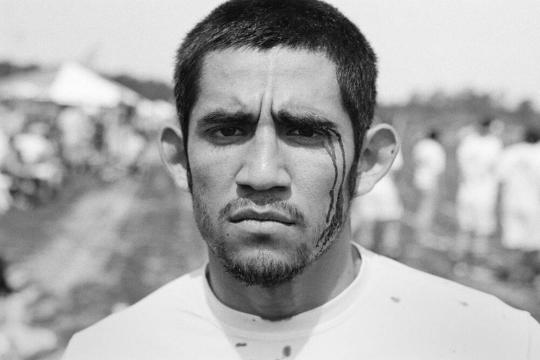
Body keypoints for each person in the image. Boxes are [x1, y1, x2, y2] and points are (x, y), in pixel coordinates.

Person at [62, 1, 540, 359]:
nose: (262, 174)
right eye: (227, 130)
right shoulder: (107, 351)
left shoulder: (493, 343)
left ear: (370, 161)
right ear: (178, 158)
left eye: (306, 132)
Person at [455, 117, 502, 264]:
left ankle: (468, 258)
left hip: (477, 192)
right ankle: (466, 258)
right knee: (471, 228)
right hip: (475, 193)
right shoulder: (487, 143)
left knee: (475, 229)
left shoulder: (475, 141)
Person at [496, 127, 540, 282]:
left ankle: (510, 274)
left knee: (511, 240)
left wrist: (498, 200)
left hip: (511, 203)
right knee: (533, 244)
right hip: (534, 206)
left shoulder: (511, 152)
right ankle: (527, 277)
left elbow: (500, 178)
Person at [350, 139, 403, 258]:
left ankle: (363, 259)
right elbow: (395, 172)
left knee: (366, 229)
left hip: (366, 188)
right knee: (390, 228)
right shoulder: (392, 142)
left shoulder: (360, 139)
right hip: (386, 190)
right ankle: (388, 260)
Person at [411, 129, 446, 246]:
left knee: (420, 207)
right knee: (427, 209)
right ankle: (422, 235)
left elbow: (414, 161)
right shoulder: (437, 148)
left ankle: (418, 232)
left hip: (418, 179)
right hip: (430, 181)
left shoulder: (421, 145)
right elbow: (439, 169)